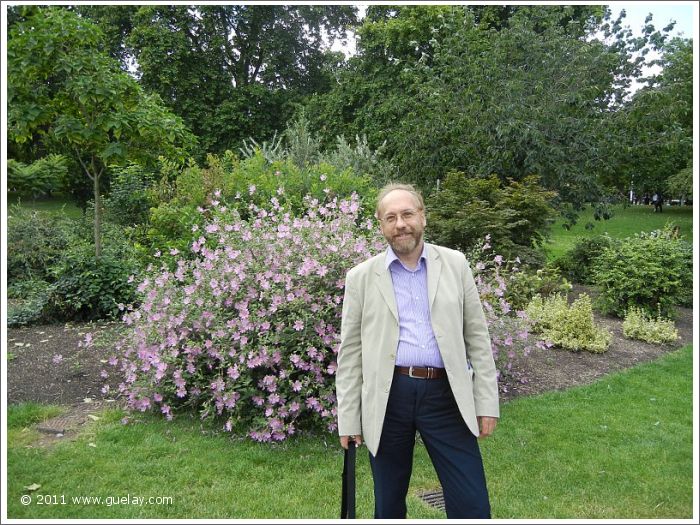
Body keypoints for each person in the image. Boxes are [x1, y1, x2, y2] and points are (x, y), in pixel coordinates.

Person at [336, 183, 499, 519]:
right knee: (389, 502)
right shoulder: (361, 278)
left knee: (472, 503)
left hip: (446, 395)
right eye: (391, 217)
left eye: (408, 214)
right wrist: (348, 418)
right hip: (388, 398)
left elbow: (478, 339)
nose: (401, 224)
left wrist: (486, 402)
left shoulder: (455, 264)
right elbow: (350, 355)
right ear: (381, 225)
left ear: (423, 216)